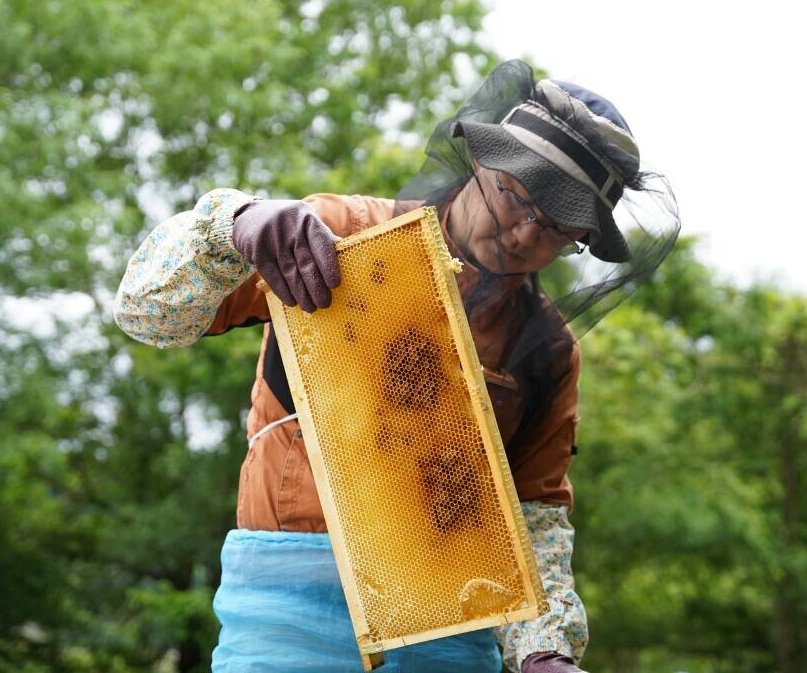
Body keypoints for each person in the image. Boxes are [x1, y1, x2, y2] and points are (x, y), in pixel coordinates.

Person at [114, 60, 680, 672]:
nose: (523, 233)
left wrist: (545, 649)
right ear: (484, 162)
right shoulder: (336, 235)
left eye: (556, 230)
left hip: (454, 632)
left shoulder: (548, 349)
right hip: (283, 614)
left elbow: (534, 511)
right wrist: (235, 225)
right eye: (520, 198)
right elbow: (148, 316)